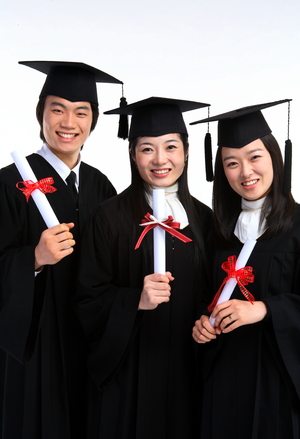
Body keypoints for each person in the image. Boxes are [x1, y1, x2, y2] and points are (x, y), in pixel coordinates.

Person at [74, 96, 213, 438]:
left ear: (186, 152)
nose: (160, 160)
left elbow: (212, 294)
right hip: (126, 378)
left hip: (185, 374)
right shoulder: (107, 218)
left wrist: (207, 321)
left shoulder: (206, 221)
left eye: (171, 147)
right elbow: (84, 301)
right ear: (133, 154)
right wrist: (134, 299)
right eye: (147, 149)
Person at [0, 61, 122, 439]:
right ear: (41, 114)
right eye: (58, 109)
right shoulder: (11, 182)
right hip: (34, 347)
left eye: (81, 112)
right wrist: (33, 259)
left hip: (88, 343)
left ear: (93, 121)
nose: (68, 122)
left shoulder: (103, 187)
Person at [191, 99, 300, 438]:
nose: (245, 172)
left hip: (277, 383)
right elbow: (202, 296)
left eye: (255, 157)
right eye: (231, 163)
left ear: (275, 157)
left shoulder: (298, 227)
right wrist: (201, 326)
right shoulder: (218, 231)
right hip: (223, 381)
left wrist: (264, 309)